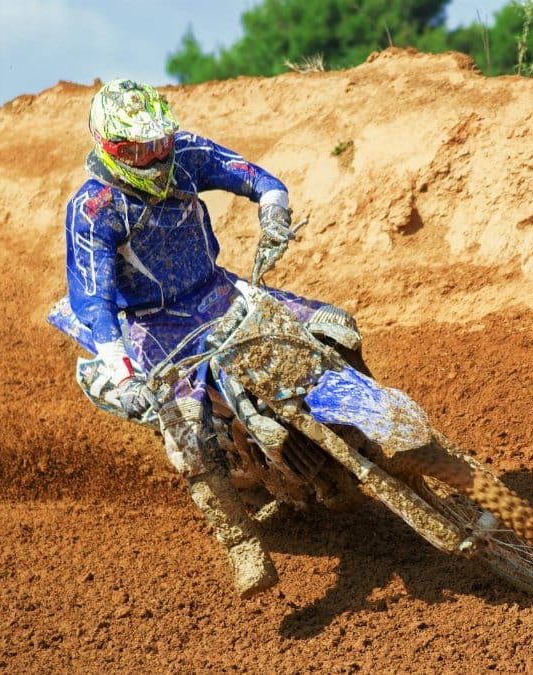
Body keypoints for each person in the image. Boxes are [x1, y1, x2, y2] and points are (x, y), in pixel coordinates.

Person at [46, 79, 363, 598]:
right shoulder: (95, 208)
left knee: (334, 325)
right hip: (154, 324)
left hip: (217, 289)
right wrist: (124, 375)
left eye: (159, 142)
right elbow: (93, 301)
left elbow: (254, 177)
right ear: (109, 147)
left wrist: (274, 209)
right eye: (139, 150)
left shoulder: (186, 153)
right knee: (186, 434)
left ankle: (370, 422)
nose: (154, 157)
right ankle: (239, 541)